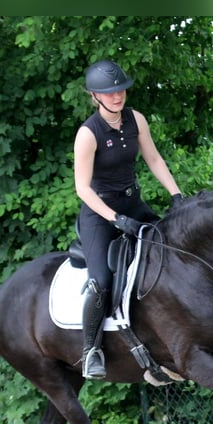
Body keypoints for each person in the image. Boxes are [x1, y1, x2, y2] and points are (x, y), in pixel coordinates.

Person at [73, 60, 183, 379]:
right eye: (109, 93)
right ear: (95, 95)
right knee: (101, 283)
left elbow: (153, 158)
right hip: (100, 214)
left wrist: (176, 195)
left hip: (133, 204)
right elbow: (82, 188)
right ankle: (91, 350)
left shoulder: (136, 119)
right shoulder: (88, 134)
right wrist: (115, 219)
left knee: (169, 250)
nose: (117, 96)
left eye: (120, 89)